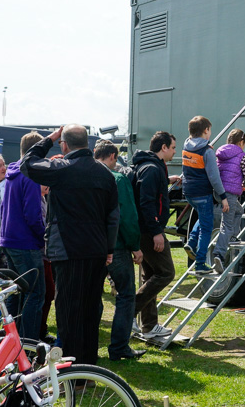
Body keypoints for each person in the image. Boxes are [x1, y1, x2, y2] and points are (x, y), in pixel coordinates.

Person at [22, 125, 118, 366]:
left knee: (68, 312)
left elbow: (27, 163)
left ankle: (74, 373)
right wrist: (109, 249)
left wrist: (48, 139)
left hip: (67, 249)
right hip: (95, 249)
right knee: (90, 310)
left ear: (64, 145)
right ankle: (87, 368)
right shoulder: (105, 173)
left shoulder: (61, 169)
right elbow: (113, 216)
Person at [94, 140, 145, 360]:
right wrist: (135, 246)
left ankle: (87, 345)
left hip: (90, 246)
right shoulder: (118, 179)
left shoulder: (86, 177)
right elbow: (127, 216)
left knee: (93, 296)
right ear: (113, 156)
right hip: (116, 246)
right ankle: (118, 347)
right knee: (126, 295)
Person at [133, 131, 180, 342]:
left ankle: (149, 326)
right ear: (163, 147)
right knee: (166, 272)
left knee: (150, 275)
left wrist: (166, 180)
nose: (174, 152)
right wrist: (156, 232)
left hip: (144, 230)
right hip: (149, 231)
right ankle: (128, 312)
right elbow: (146, 203)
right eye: (172, 148)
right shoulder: (152, 169)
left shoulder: (150, 166)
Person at [0, 131, 47, 342]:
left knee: (17, 292)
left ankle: (12, 340)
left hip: (9, 239)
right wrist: (42, 237)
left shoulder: (13, 172)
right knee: (35, 294)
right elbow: (32, 214)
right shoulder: (30, 174)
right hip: (25, 242)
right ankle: (28, 343)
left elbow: (5, 207)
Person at [181, 116, 227, 274]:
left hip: (188, 192)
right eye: (209, 130)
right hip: (202, 193)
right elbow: (214, 177)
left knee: (203, 217)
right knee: (206, 228)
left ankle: (191, 242)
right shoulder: (207, 151)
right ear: (206, 130)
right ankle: (200, 263)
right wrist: (223, 196)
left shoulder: (186, 146)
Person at [211, 129, 245, 270]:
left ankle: (234, 236)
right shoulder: (241, 155)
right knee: (226, 226)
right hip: (230, 194)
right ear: (241, 142)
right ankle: (219, 255)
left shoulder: (221, 153)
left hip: (219, 192)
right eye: (244, 144)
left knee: (239, 211)